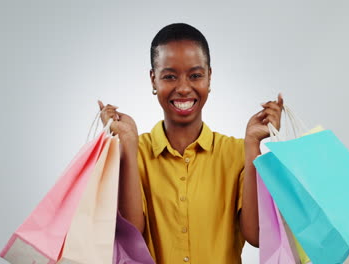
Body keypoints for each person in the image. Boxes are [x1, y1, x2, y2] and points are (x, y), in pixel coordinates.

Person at [98, 23, 283, 264]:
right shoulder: (135, 152)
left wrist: (252, 147)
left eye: (195, 75)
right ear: (153, 80)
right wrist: (127, 149)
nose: (183, 88)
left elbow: (257, 236)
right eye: (169, 76)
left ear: (209, 77)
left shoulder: (237, 152)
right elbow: (129, 237)